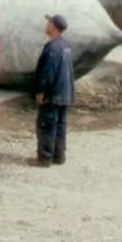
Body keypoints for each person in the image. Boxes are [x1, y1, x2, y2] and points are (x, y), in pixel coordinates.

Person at [33, 14, 74, 166]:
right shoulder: (66, 46)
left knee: (46, 125)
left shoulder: (52, 48)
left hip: (53, 94)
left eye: (48, 22)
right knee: (60, 126)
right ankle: (59, 156)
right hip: (65, 94)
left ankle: (45, 158)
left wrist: (41, 92)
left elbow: (48, 73)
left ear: (53, 26)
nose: (46, 24)